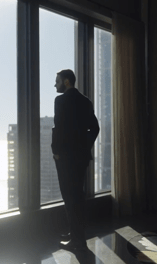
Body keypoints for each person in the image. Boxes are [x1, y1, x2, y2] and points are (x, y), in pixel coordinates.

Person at [52, 69, 99, 251]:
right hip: (80, 157)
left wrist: (56, 152)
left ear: (66, 82)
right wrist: (84, 147)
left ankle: (77, 241)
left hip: (65, 158)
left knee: (69, 197)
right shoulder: (86, 101)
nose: (55, 85)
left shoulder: (61, 101)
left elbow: (59, 128)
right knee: (77, 196)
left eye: (57, 81)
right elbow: (94, 128)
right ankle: (76, 234)